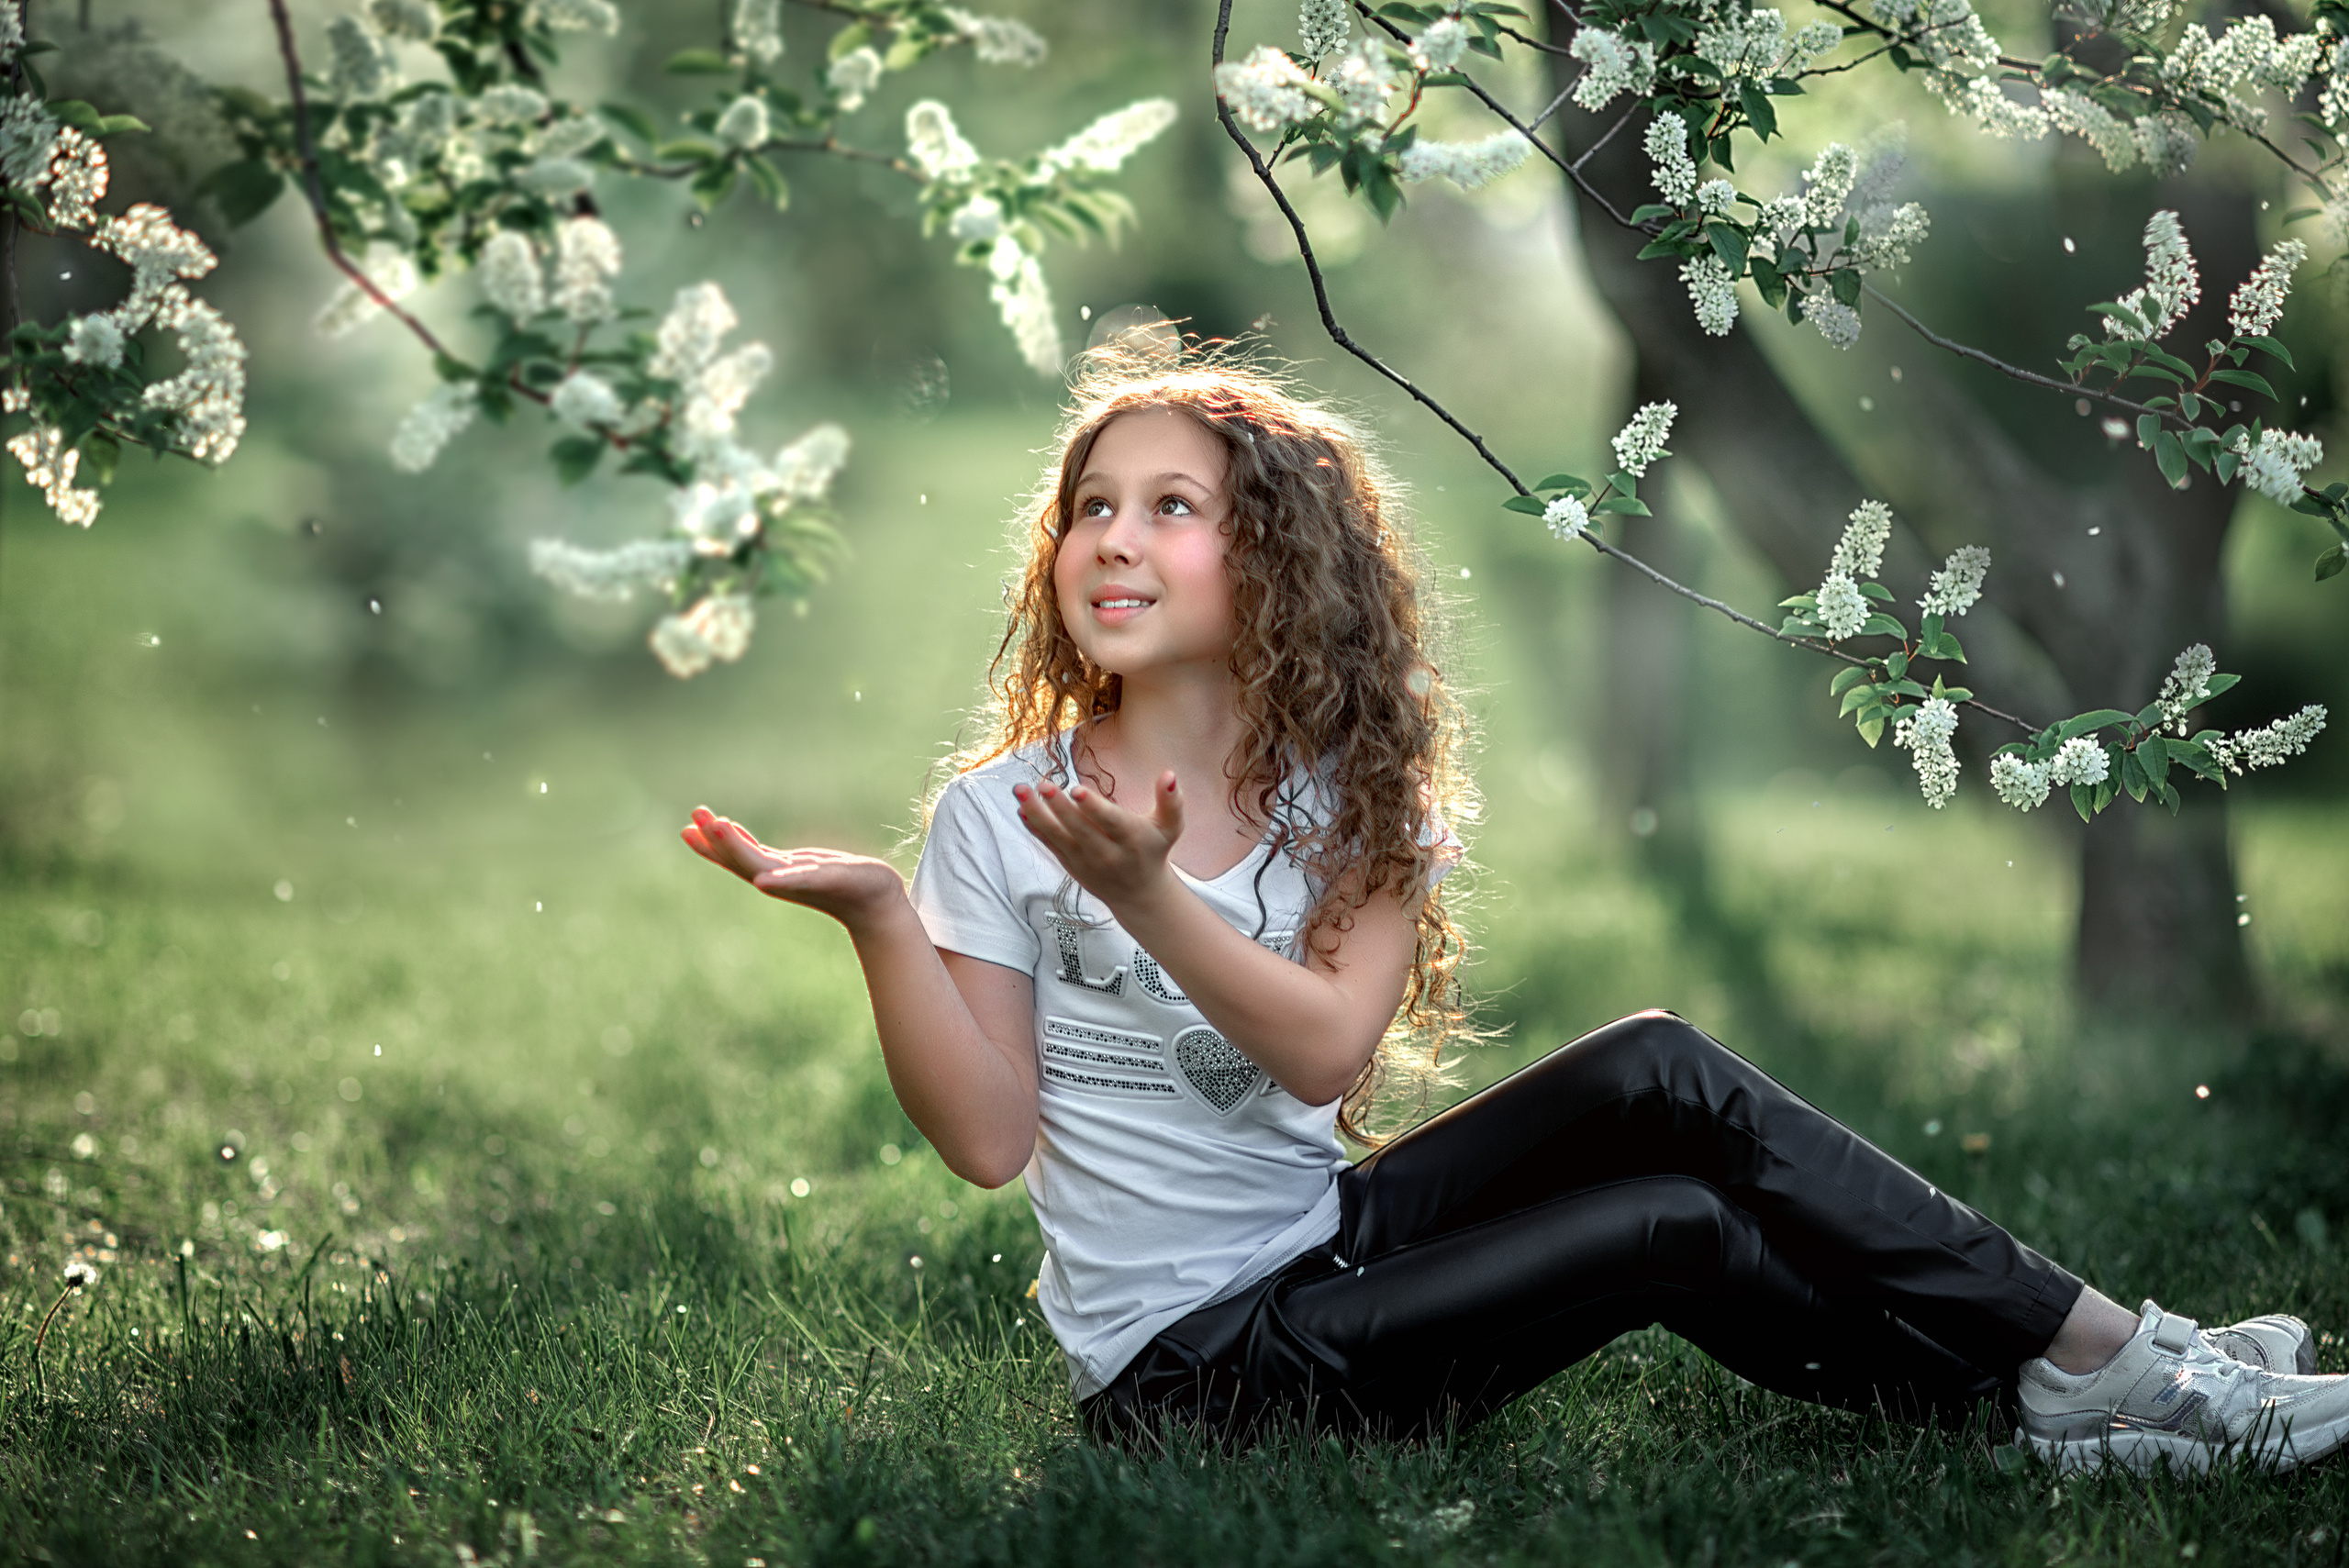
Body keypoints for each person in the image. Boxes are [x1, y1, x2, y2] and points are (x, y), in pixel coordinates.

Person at [683, 354, 2349, 1476]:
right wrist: (889, 918)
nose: (1109, 541)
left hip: (1316, 1244)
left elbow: (1324, 1068)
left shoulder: (1362, 793)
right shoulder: (1003, 813)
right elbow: (987, 1142)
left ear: (1271, 558)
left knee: (1660, 1071)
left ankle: (2091, 1353)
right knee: (1668, 1228)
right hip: (1187, 1372)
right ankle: (2045, 1401)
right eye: (1090, 507)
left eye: (1167, 507)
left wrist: (1149, 899)